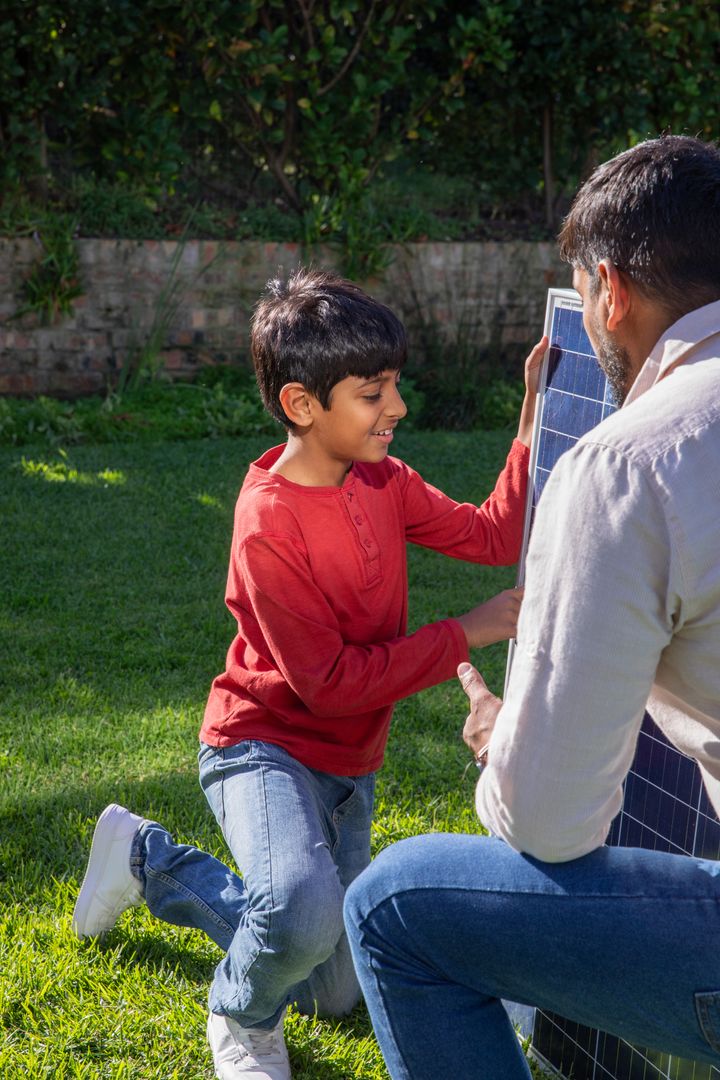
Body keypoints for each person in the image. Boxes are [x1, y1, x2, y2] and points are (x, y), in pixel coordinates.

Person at [72, 267, 545, 1080]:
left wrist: (536, 406)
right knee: (300, 912)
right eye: (373, 392)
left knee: (328, 976)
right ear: (302, 405)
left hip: (347, 763)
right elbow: (327, 683)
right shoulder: (268, 523)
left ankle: (142, 857)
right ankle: (240, 1015)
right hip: (261, 744)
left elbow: (494, 536)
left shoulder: (384, 481)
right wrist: (464, 633)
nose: (396, 407)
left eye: (394, 385)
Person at [343, 133, 720, 1080]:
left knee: (394, 909)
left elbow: (551, 825)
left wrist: (504, 735)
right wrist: (525, 435)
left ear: (610, 290)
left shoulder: (635, 461)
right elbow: (481, 530)